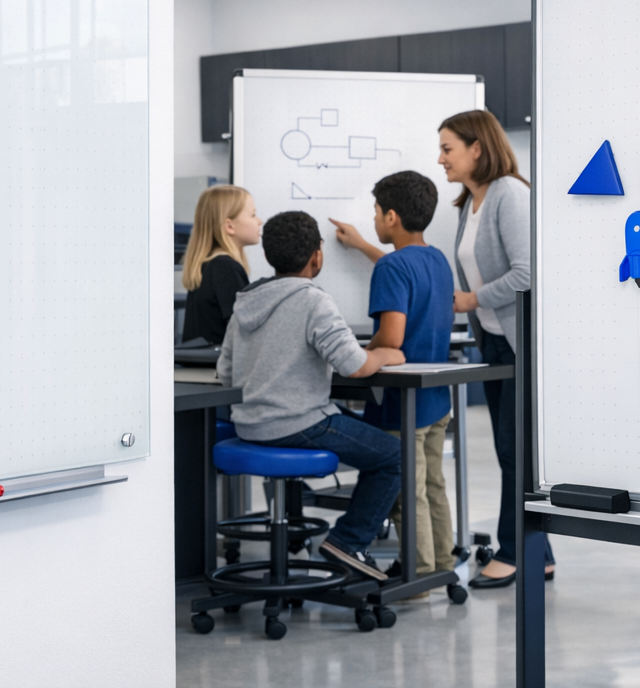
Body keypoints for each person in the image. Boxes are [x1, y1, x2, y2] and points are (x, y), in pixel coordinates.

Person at [217, 210, 406, 582]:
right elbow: (354, 365)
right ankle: (348, 541)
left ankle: (331, 541)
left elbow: (225, 372)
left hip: (251, 426)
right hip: (298, 424)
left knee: (360, 433)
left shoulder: (246, 302)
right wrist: (386, 354)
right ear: (316, 257)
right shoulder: (314, 300)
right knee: (393, 456)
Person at [438, 109, 554, 589]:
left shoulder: (510, 194)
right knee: (510, 452)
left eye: (448, 148)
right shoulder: (471, 201)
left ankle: (514, 552)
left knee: (512, 450)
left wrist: (472, 299)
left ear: (476, 149)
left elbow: (527, 274)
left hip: (519, 344)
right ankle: (539, 553)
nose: (440, 158)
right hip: (494, 342)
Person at [330, 171, 455, 589]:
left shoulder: (393, 268)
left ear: (391, 216)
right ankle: (439, 565)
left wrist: (365, 351)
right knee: (434, 485)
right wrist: (363, 245)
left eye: (376, 214)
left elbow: (393, 338)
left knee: (406, 493)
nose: (375, 220)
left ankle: (415, 576)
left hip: (399, 403)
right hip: (436, 398)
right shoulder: (436, 259)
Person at [181, 185, 260, 346]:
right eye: (253, 215)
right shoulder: (226, 268)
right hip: (217, 368)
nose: (259, 221)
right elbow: (245, 333)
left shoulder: (210, 264)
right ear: (229, 226)